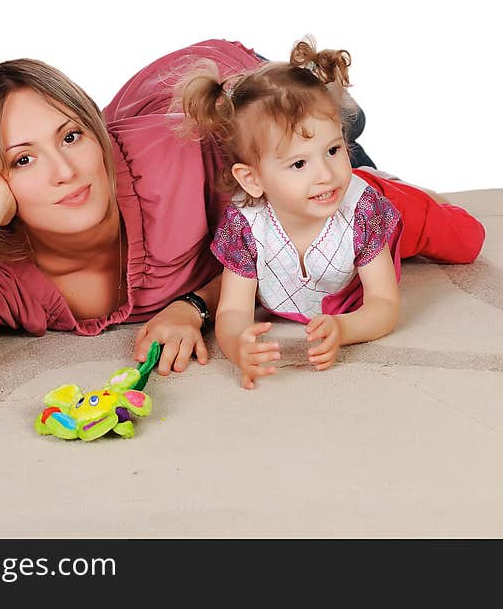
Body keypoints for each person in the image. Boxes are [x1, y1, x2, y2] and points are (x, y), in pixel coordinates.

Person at [0, 39, 380, 407]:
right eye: (23, 161)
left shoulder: (181, 161)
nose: (67, 172)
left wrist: (192, 306)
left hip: (236, 106)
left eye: (72, 136)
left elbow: (271, 238)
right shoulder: (4, 271)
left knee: (344, 154)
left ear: (93, 131)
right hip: (170, 119)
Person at [178, 38, 486, 389]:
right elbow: (233, 310)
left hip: (386, 206)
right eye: (298, 163)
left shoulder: (363, 210)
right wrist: (237, 346)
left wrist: (345, 328)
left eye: (333, 149)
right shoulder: (246, 226)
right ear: (252, 180)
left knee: (467, 241)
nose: (324, 173)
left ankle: (402, 188)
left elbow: (383, 303)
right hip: (338, 224)